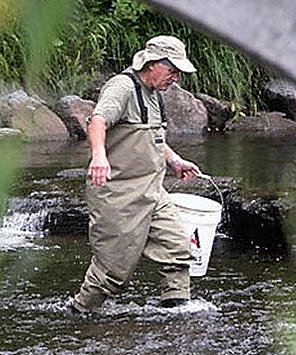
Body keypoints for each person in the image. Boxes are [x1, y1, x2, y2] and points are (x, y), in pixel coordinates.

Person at [71, 35, 203, 312]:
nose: (176, 78)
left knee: (178, 252)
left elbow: (152, 136)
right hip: (118, 195)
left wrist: (175, 160)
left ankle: (178, 314)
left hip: (153, 192)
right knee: (112, 273)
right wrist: (98, 156)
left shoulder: (155, 93)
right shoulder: (122, 88)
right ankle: (78, 315)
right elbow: (98, 121)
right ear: (153, 64)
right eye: (172, 70)